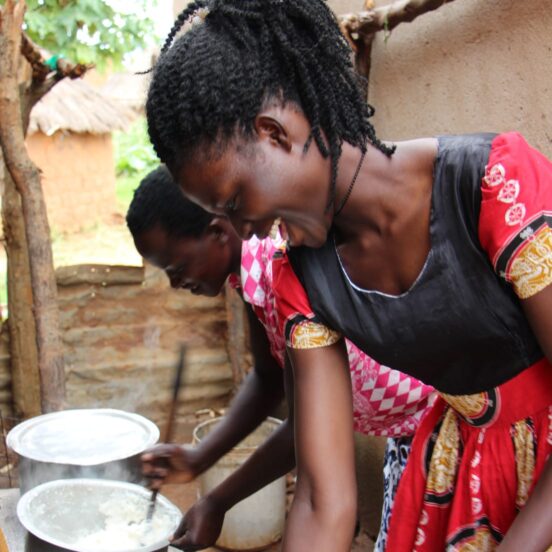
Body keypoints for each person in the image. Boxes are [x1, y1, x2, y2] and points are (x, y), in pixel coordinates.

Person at [144, 2, 552, 551]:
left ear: (275, 134)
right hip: (467, 473)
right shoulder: (303, 281)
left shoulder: (493, 188)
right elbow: (321, 499)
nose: (249, 230)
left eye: (237, 202)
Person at [127, 166, 435, 551]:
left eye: (177, 269)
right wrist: (197, 459)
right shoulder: (250, 279)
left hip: (440, 422)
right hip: (406, 432)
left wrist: (218, 500)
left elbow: (299, 432)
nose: (176, 284)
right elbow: (268, 379)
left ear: (219, 233)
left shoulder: (279, 269)